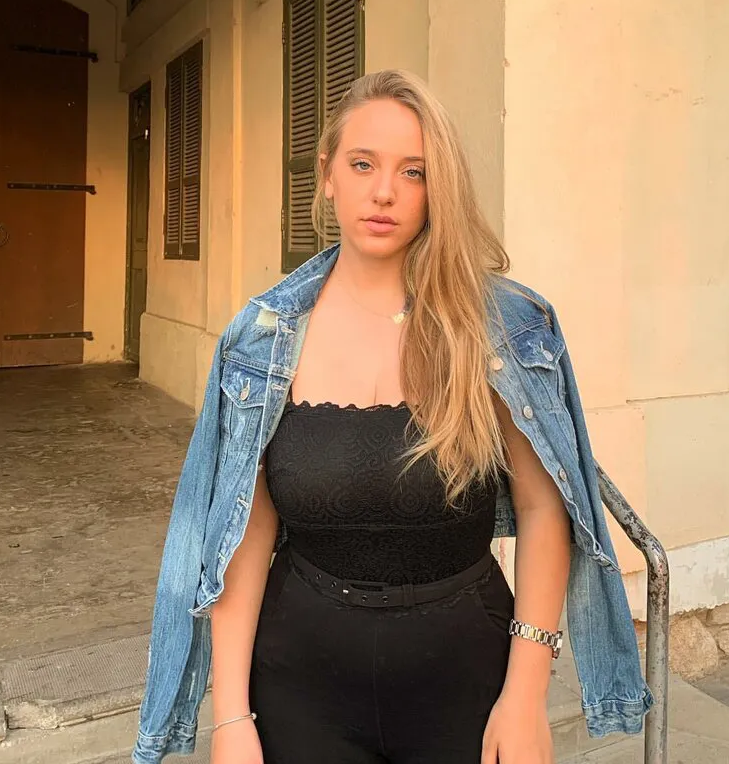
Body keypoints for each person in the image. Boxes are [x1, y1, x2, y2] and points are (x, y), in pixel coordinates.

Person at [132, 70, 652, 764]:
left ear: (439, 189)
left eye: (414, 171)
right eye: (362, 164)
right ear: (327, 176)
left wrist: (526, 695)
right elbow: (243, 532)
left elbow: (542, 507)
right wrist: (230, 717)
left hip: (466, 683)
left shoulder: (497, 328)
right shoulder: (263, 340)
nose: (384, 192)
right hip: (298, 689)